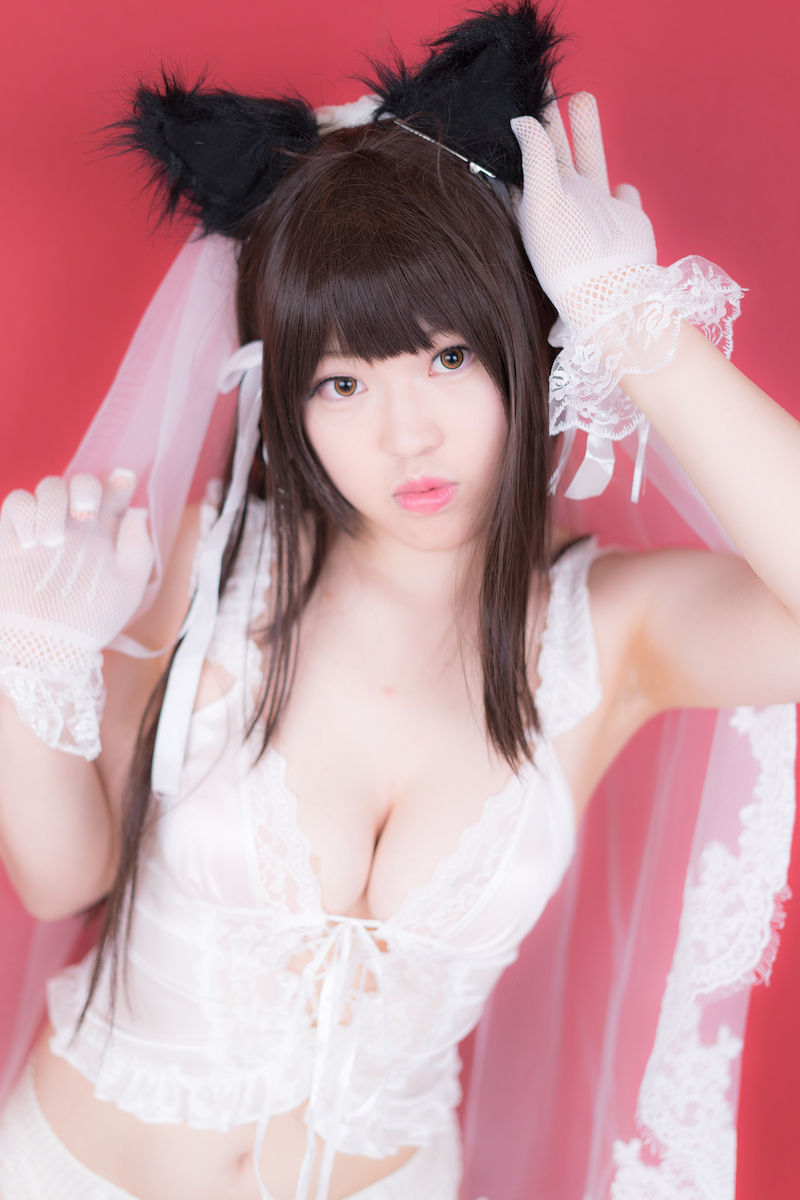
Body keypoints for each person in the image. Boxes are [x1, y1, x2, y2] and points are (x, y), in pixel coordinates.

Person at [0, 4, 797, 1198]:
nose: (404, 433)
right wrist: (33, 658)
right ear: (283, 394)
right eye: (341, 381)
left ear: (524, 347)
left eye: (447, 356)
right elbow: (64, 880)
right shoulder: (212, 563)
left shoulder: (607, 635)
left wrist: (626, 316)